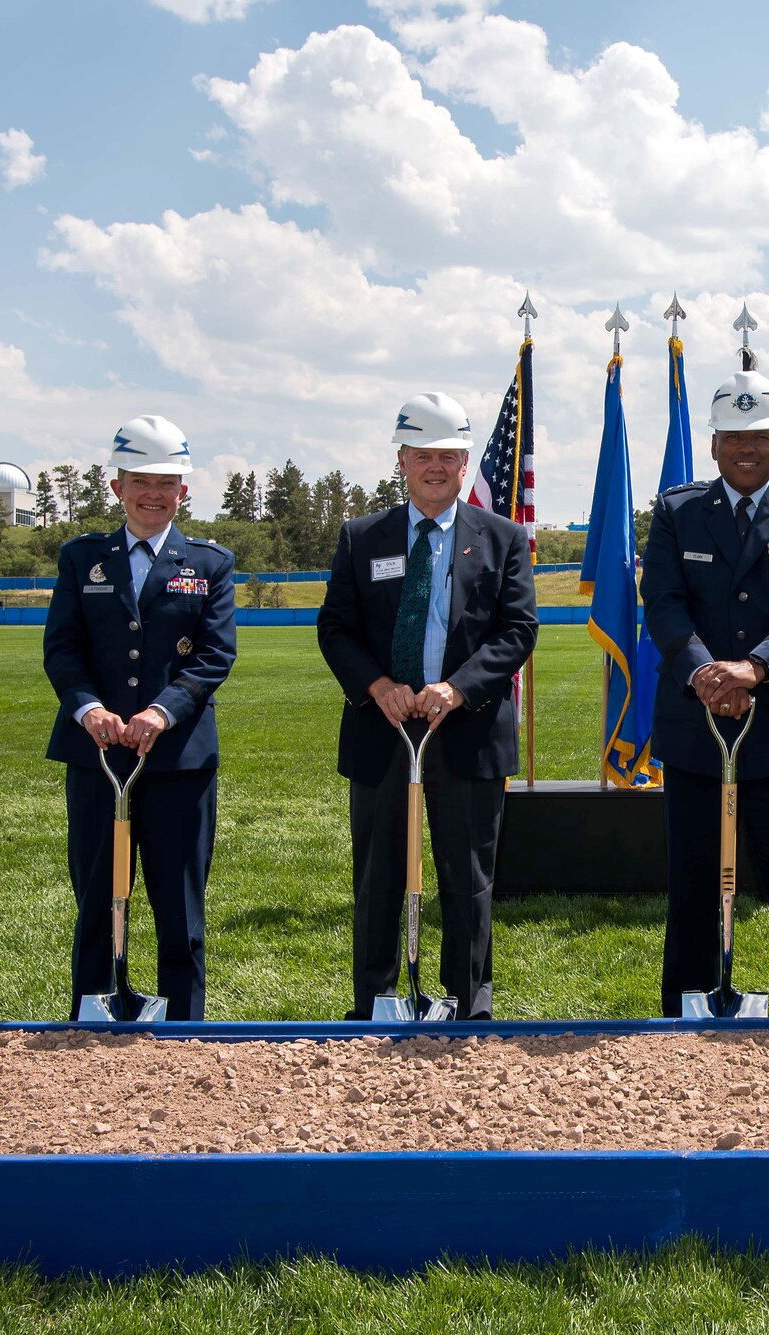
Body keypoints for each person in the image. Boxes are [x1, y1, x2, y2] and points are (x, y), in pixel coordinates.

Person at [317, 391, 537, 1022]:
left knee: (468, 879)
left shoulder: (502, 538)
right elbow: (336, 627)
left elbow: (518, 629)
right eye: (422, 456)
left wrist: (459, 687)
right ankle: (376, 1001)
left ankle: (469, 1005)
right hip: (382, 730)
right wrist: (377, 685)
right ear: (402, 460)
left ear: (466, 462)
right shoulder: (362, 538)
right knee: (378, 876)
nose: (435, 467)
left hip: (465, 729)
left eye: (448, 455)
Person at [640, 370, 769, 1017]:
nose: (746, 449)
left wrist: (754, 668)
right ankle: (687, 1024)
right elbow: (664, 605)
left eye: (759, 436)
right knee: (693, 890)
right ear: (713, 446)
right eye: (733, 437)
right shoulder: (677, 512)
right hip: (697, 731)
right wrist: (705, 671)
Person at [43, 414, 236, 1020]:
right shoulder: (82, 559)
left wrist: (162, 712)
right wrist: (87, 709)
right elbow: (63, 648)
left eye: (167, 482)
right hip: (97, 755)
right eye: (140, 480)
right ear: (116, 487)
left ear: (185, 491)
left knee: (180, 905)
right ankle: (92, 1018)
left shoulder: (208, 562)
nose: (153, 493)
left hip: (178, 759)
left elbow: (214, 655)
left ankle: (183, 1027)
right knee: (98, 897)